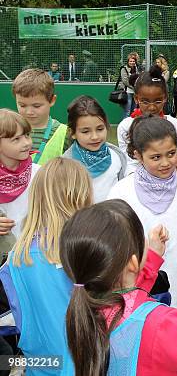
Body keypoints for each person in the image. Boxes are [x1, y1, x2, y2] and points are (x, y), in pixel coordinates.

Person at [60, 199, 177, 375]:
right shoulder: (159, 324)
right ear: (132, 263)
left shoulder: (83, 308)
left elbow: (128, 302)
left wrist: (151, 259)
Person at [108, 115, 177, 325]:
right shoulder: (121, 192)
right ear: (138, 156)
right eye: (155, 157)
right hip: (146, 302)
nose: (166, 163)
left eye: (171, 154)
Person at [0, 158, 92, 375]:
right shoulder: (90, 250)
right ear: (82, 196)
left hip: (43, 365)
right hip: (90, 363)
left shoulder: (15, 260)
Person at [117, 66, 177, 175]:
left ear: (165, 98)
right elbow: (128, 162)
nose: (152, 107)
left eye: (158, 101)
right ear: (136, 99)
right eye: (145, 101)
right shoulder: (125, 127)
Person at [63, 96, 127, 203]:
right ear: (72, 133)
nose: (95, 137)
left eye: (100, 129)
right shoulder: (65, 164)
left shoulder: (118, 156)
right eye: (85, 131)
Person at [12, 68, 70, 165]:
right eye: (22, 105)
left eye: (36, 106)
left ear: (52, 100)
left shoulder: (66, 134)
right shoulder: (7, 131)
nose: (29, 112)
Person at [0, 110, 40, 238]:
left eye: (27, 135)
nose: (27, 143)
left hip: (34, 251)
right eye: (16, 139)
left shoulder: (40, 173)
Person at [120, 52, 140, 119]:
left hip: (135, 93)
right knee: (127, 111)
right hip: (127, 92)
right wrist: (133, 87)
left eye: (133, 61)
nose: (132, 62)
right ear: (128, 61)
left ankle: (132, 126)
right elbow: (125, 81)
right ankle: (124, 127)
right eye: (130, 61)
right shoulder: (124, 68)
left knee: (133, 111)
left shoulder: (137, 69)